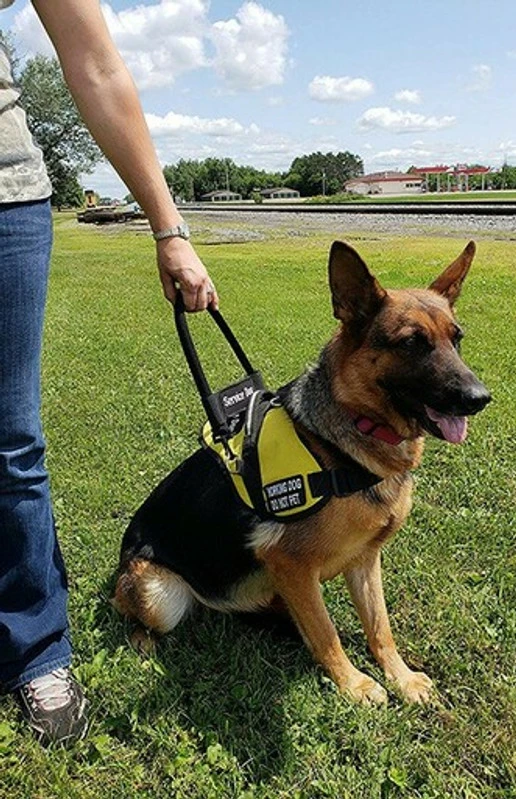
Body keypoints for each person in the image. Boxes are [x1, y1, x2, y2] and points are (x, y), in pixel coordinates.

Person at [0, 0, 218, 745]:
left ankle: (37, 651)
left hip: (3, 201)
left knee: (9, 443)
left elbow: (95, 63)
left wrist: (169, 227)